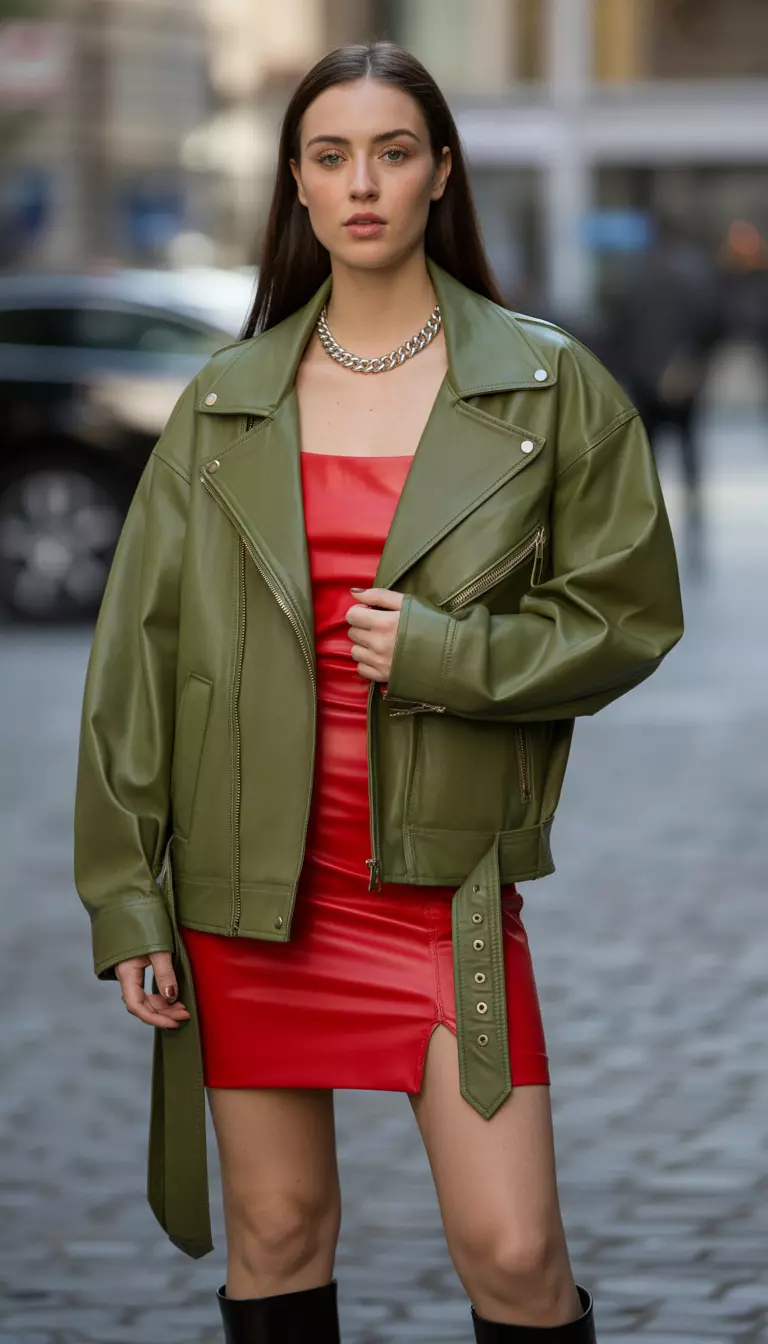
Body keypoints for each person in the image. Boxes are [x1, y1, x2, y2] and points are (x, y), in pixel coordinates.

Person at [73, 41, 684, 1344]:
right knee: (278, 1237)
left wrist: (456, 657)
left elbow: (631, 613)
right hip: (248, 890)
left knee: (516, 1253)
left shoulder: (541, 385)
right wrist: (129, 892)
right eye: (332, 155)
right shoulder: (225, 406)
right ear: (294, 183)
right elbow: (135, 656)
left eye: (394, 153)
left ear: (439, 173)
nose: (364, 183)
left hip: (440, 890)